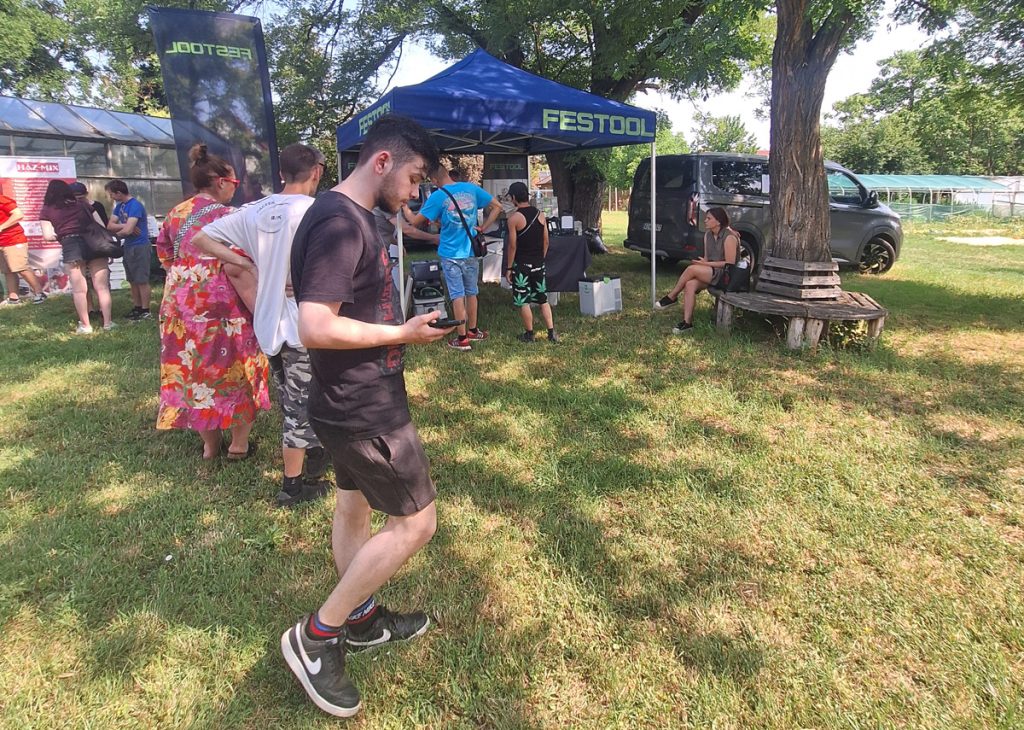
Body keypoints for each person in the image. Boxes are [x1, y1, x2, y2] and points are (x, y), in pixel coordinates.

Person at [282, 115, 453, 718]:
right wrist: (401, 333)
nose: (416, 192)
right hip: (363, 406)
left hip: (341, 399)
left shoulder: (345, 215)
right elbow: (315, 325)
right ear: (382, 162)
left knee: (353, 506)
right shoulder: (338, 221)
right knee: (417, 523)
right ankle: (317, 636)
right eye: (414, 178)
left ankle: (360, 619)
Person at [190, 143, 332, 506]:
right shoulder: (319, 210)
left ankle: (316, 453)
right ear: (316, 172)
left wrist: (250, 264)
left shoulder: (254, 210)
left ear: (281, 174)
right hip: (304, 324)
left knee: (293, 397)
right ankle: (293, 486)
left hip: (268, 324)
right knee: (300, 408)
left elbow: (201, 238)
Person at [154, 144, 270, 460]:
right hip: (225, 304)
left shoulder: (175, 214)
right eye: (234, 183)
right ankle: (239, 444)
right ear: (220, 181)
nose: (235, 189)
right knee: (237, 365)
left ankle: (210, 445)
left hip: (181, 304)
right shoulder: (231, 216)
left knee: (193, 370)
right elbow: (246, 260)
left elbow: (165, 256)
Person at [409, 164, 502, 351]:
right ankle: (473, 331)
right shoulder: (471, 188)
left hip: (450, 254)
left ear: (434, 180)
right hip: (470, 252)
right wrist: (483, 227)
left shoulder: (437, 196)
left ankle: (462, 339)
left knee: (457, 295)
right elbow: (497, 206)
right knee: (472, 292)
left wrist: (403, 206)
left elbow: (414, 221)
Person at [38, 180, 114, 333]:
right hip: (94, 244)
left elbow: (47, 236)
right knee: (102, 287)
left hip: (71, 246)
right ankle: (108, 323)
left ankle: (86, 326)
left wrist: (62, 234)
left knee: (79, 290)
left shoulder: (47, 210)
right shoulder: (82, 205)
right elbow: (101, 225)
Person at [655, 206, 739, 334]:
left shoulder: (729, 237)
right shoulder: (708, 235)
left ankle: (672, 296)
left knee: (691, 269)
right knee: (690, 284)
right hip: (712, 272)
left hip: (727, 275)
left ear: (718, 221)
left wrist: (706, 264)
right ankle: (687, 323)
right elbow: (707, 258)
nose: (705, 221)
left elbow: (730, 264)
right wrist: (703, 263)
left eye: (709, 218)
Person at [505, 181, 559, 343]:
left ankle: (529, 334)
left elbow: (512, 246)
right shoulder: (540, 215)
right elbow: (546, 241)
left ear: (513, 197)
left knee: (524, 301)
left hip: (522, 265)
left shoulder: (513, 218)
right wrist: (540, 258)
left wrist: (509, 268)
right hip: (538, 264)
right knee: (543, 299)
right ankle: (551, 333)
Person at [105, 180, 152, 320]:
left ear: (119, 193)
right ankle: (137, 307)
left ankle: (145, 309)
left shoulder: (135, 206)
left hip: (140, 245)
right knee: (132, 279)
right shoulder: (119, 206)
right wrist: (124, 225)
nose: (111, 197)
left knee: (141, 279)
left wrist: (117, 234)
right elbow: (110, 225)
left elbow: (128, 231)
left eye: (112, 194)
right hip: (129, 245)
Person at [0, 192, 46, 306]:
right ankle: (13, 298)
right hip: (2, 242)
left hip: (13, 239)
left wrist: (1, 227)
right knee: (7, 270)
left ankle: (39, 293)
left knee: (21, 268)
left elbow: (18, 214)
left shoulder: (2, 199)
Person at [70, 182, 107, 317]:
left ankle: (103, 310)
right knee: (83, 281)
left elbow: (104, 226)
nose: (78, 200)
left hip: (95, 246)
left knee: (100, 282)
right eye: (75, 197)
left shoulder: (96, 206)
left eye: (80, 197)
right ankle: (90, 309)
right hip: (79, 248)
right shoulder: (69, 208)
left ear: (86, 194)